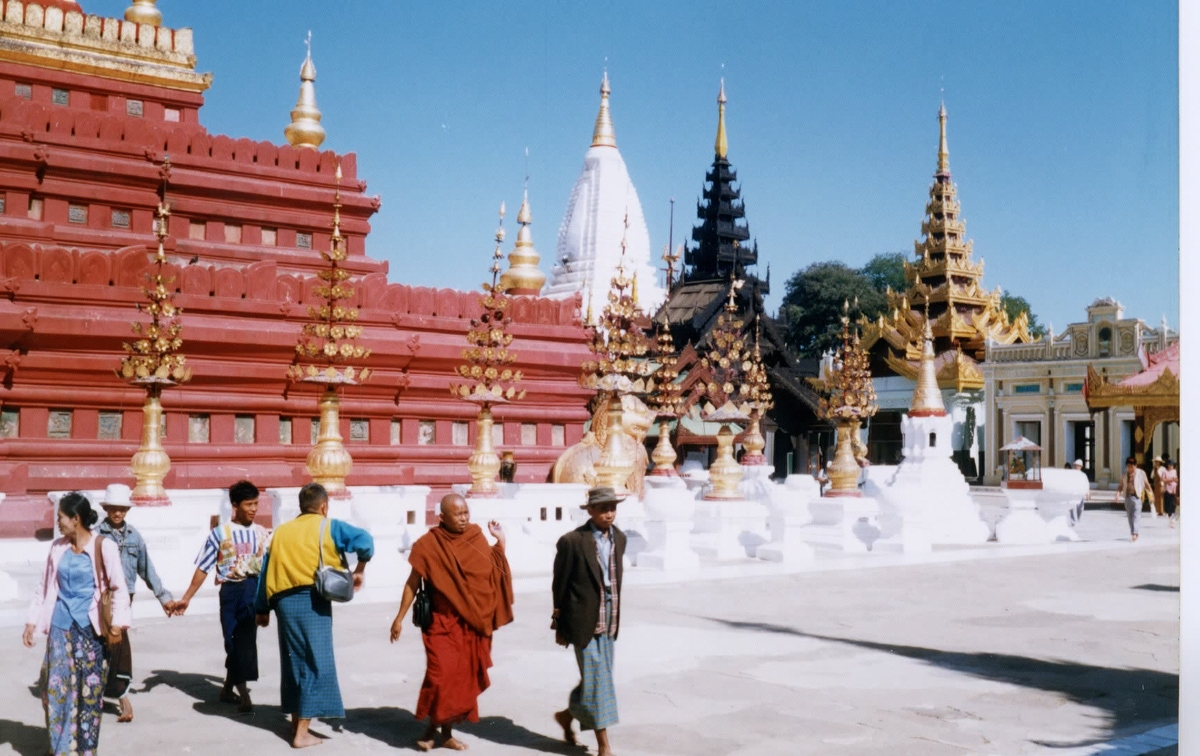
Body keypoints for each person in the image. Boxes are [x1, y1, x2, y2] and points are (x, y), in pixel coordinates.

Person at [254, 482, 373, 749]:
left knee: (293, 661)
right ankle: (302, 734)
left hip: (283, 602)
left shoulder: (281, 532)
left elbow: (264, 572)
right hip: (312, 600)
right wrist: (360, 568)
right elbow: (366, 542)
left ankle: (297, 724)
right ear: (323, 506)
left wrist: (261, 609)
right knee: (315, 661)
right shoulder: (328, 525)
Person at [391, 494, 514, 751]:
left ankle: (443, 732)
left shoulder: (476, 537)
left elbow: (492, 570)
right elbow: (412, 582)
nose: (463, 518)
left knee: (460, 679)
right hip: (441, 622)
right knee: (440, 675)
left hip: (470, 622)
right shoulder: (428, 545)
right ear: (442, 517)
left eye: (466, 512)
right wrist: (399, 617)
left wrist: (500, 540)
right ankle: (430, 728)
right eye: (457, 514)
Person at [23, 492, 131, 756]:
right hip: (60, 628)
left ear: (76, 518)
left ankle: (85, 751)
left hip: (91, 630)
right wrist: (31, 621)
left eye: (61, 517)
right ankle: (59, 749)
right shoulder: (57, 547)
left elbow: (118, 588)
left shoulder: (103, 546)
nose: (58, 522)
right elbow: (43, 586)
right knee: (54, 689)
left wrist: (117, 625)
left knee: (89, 695)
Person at [172, 480, 270, 713]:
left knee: (244, 641)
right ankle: (229, 688)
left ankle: (242, 692)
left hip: (253, 589)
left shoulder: (261, 533)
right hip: (231, 591)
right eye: (249, 504)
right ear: (235, 505)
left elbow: (267, 568)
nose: (254, 509)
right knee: (231, 640)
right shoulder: (220, 534)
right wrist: (187, 597)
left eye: (256, 503)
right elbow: (203, 567)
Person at [551, 486, 627, 756]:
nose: (609, 514)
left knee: (598, 678)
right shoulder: (572, 541)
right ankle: (604, 746)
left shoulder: (620, 538)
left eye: (613, 508)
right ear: (590, 510)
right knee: (599, 683)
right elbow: (559, 585)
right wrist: (559, 623)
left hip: (610, 618)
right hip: (582, 619)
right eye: (603, 509)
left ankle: (567, 714)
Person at [95, 483, 175, 723]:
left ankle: (120, 694)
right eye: (113, 508)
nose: (117, 513)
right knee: (103, 642)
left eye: (122, 509)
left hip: (125, 597)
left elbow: (146, 569)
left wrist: (164, 598)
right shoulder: (96, 535)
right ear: (106, 509)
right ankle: (103, 693)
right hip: (102, 597)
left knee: (118, 643)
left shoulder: (134, 537)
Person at [1117, 456, 1151, 542]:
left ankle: (1134, 533)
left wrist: (1151, 493)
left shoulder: (1141, 473)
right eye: (1128, 466)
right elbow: (1121, 485)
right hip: (1128, 497)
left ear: (1136, 466)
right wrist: (1117, 494)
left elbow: (1146, 483)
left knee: (1136, 515)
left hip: (1137, 497)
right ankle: (1133, 531)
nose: (1130, 468)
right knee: (1130, 516)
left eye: (1132, 466)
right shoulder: (1125, 474)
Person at [1160, 460, 1179, 528]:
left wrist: (1174, 480)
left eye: (1172, 465)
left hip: (1174, 489)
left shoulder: (1174, 471)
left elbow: (1176, 479)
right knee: (1167, 504)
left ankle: (1172, 519)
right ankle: (1170, 515)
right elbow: (1162, 480)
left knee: (1173, 504)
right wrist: (1170, 480)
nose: (1170, 466)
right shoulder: (1165, 472)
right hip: (1167, 489)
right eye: (1169, 465)